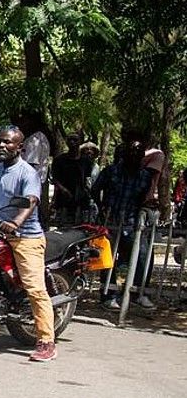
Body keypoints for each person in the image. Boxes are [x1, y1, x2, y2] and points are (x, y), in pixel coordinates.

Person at [0, 127, 57, 361]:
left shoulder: (27, 173)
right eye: (0, 142)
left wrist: (16, 222)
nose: (2, 146)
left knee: (34, 288)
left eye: (8, 143)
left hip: (26, 237)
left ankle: (46, 341)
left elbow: (31, 200)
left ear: (20, 147)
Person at [91, 136, 156, 310]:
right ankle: (108, 295)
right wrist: (101, 207)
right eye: (132, 151)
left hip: (132, 223)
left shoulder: (145, 176)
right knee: (108, 258)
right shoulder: (111, 171)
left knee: (143, 256)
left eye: (139, 153)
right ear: (125, 154)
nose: (135, 155)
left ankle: (138, 293)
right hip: (110, 222)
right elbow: (95, 190)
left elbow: (142, 198)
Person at [51, 132, 92, 223]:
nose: (72, 142)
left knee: (79, 226)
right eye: (69, 139)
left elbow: (88, 178)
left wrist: (86, 192)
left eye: (75, 140)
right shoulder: (59, 160)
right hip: (63, 197)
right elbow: (54, 178)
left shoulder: (86, 160)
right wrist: (63, 190)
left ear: (80, 142)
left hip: (80, 198)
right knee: (63, 224)